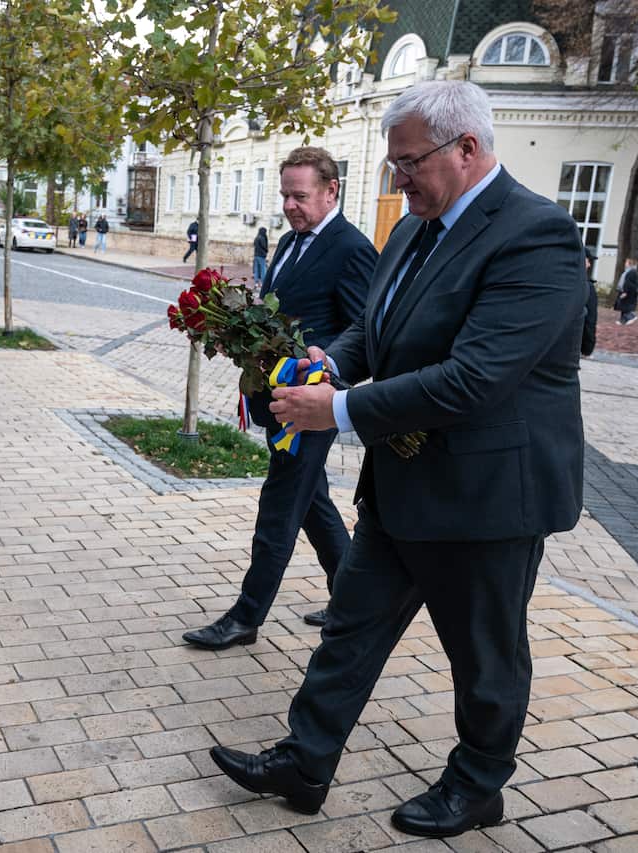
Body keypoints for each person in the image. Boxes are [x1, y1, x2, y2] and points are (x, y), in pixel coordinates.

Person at [211, 81, 586, 841]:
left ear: (468, 149)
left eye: (409, 162)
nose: (398, 178)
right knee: (348, 629)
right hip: (404, 483)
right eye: (394, 163)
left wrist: (339, 410)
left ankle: (479, 785)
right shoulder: (413, 229)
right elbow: (375, 331)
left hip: (488, 496)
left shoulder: (536, 235)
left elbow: (477, 377)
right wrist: (330, 360)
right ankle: (304, 762)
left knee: (484, 656)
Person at [183, 146, 375, 651]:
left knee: (279, 506)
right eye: (285, 194)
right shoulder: (290, 241)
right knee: (311, 502)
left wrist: (324, 365)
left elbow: (364, 328)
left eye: (300, 195)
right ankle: (352, 598)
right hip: (277, 392)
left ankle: (246, 618)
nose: (290, 204)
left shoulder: (351, 248)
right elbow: (280, 310)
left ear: (331, 191)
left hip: (312, 402)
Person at [613, 257, 638, 325]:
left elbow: (628, 283)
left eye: (626, 262)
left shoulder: (631, 272)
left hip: (628, 292)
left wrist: (625, 292)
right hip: (625, 291)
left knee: (625, 307)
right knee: (623, 306)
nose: (625, 264)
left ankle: (632, 316)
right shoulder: (628, 271)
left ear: (630, 264)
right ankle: (622, 321)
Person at [582, 248, 598, 356]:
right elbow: (590, 320)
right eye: (588, 261)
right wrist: (588, 348)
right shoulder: (587, 288)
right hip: (573, 347)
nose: (589, 265)